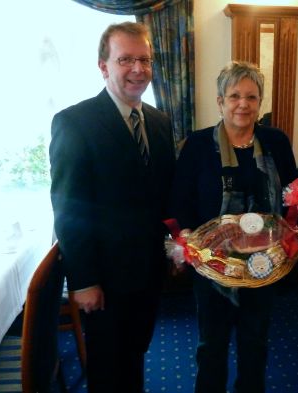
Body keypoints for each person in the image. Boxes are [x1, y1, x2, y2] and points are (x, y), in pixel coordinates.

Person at [49, 22, 176, 392]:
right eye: (125, 60)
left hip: (149, 272)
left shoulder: (159, 121)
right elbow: (69, 208)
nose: (138, 69)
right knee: (106, 366)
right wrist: (84, 280)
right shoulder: (75, 122)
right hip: (103, 279)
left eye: (145, 60)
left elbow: (163, 194)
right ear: (103, 66)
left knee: (136, 353)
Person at [169, 61, 297, 393]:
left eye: (251, 97)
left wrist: (291, 232)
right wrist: (185, 237)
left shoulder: (276, 142)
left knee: (255, 343)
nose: (243, 104)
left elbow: (291, 195)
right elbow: (179, 200)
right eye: (234, 96)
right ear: (220, 101)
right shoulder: (197, 146)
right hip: (212, 266)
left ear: (260, 102)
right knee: (211, 346)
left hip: (262, 265)